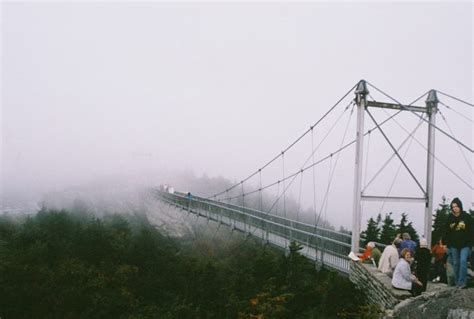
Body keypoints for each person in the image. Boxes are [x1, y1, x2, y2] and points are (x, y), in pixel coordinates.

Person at [444, 197, 473, 289]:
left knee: (463, 261)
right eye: (453, 207)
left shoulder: (466, 217)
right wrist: (446, 244)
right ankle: (457, 282)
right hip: (453, 245)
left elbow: (472, 230)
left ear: (460, 206)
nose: (455, 208)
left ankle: (462, 282)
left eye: (456, 206)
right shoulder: (449, 219)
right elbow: (446, 232)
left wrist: (472, 244)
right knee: (456, 263)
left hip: (465, 244)